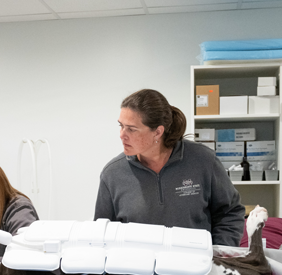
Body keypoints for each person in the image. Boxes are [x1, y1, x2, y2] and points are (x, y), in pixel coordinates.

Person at [94, 89, 245, 246]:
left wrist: (219, 253)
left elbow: (230, 212)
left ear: (158, 132)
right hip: (137, 268)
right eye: (121, 126)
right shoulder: (112, 174)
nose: (122, 135)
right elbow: (103, 234)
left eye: (131, 129)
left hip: (195, 266)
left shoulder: (204, 160)